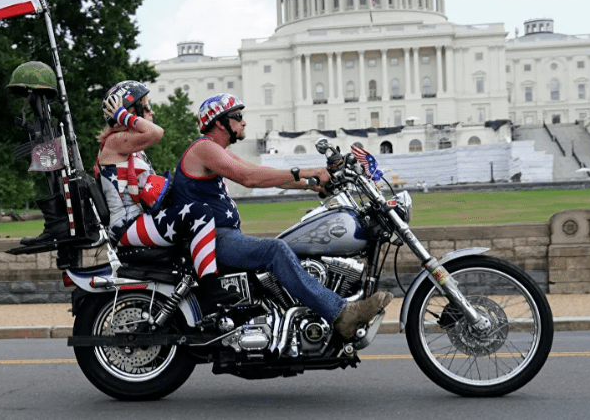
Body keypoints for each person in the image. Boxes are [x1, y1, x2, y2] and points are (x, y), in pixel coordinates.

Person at [168, 93, 392, 339]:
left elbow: (261, 171)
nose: (243, 122)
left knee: (288, 246)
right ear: (220, 122)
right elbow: (249, 178)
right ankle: (340, 313)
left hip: (221, 237)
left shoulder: (218, 150)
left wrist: (311, 183)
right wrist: (309, 172)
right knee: (276, 250)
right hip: (212, 241)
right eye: (238, 117)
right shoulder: (204, 148)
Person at [92, 80, 238, 308]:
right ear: (131, 112)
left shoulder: (131, 147)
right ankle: (211, 290)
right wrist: (123, 115)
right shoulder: (115, 141)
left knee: (193, 208)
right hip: (127, 226)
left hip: (139, 221)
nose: (152, 112)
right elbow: (157, 132)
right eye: (146, 107)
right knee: (199, 214)